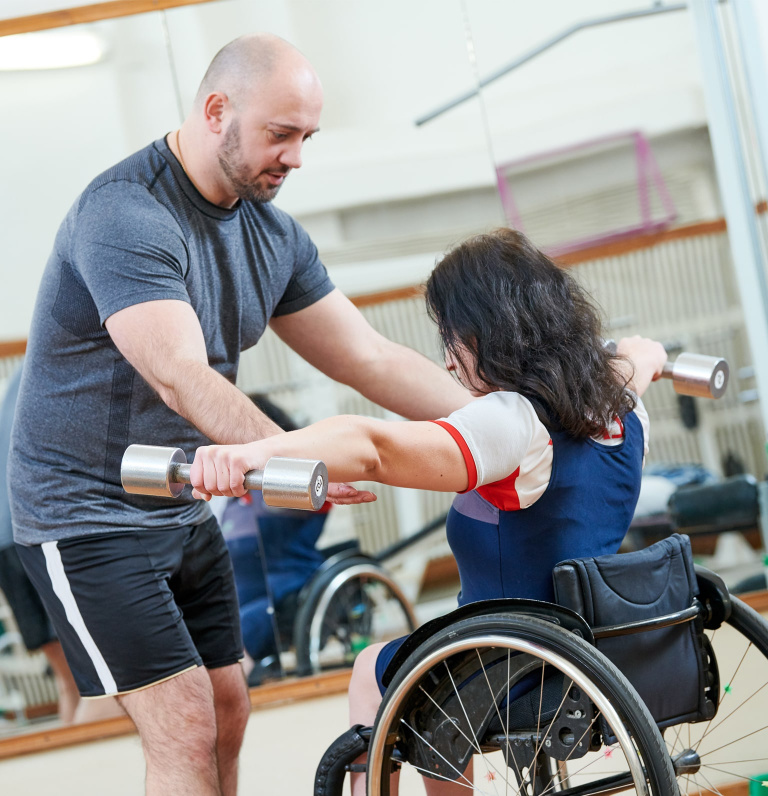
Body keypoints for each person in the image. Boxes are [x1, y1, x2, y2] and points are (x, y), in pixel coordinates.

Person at [8, 32, 472, 796]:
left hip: (181, 506)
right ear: (217, 110)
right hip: (82, 513)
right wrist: (295, 458)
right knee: (185, 724)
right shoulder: (124, 214)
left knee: (227, 707)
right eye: (279, 135)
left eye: (306, 137)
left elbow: (371, 359)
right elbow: (180, 376)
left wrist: (505, 421)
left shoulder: (273, 235)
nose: (295, 157)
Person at [188, 228, 668, 796]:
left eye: (452, 340)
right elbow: (638, 362)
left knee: (375, 670)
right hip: (592, 649)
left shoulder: (514, 421)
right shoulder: (621, 409)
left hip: (506, 660)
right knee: (429, 665)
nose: (447, 362)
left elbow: (373, 448)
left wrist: (252, 451)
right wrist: (646, 353)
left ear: (486, 334)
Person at [0, 367, 122, 725]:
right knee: (99, 682)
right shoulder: (66, 373)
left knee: (73, 682)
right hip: (40, 532)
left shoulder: (24, 380)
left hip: (12, 539)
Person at [219, 394, 329, 684]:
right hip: (235, 601)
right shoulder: (230, 498)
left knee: (229, 640)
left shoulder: (290, 484)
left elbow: (321, 489)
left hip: (286, 594)